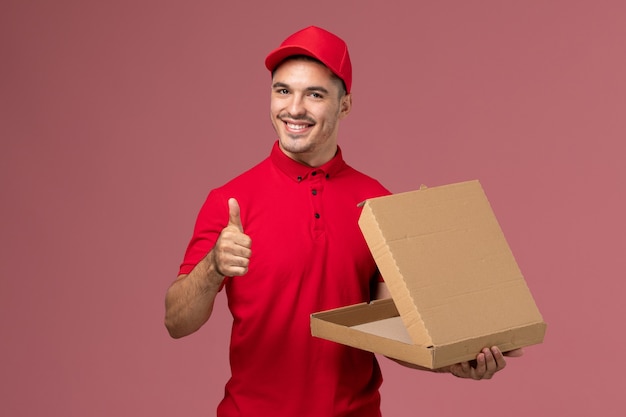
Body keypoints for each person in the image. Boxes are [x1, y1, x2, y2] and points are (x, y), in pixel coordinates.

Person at [165, 26, 522, 417]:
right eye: (283, 90)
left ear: (345, 104)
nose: (294, 108)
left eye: (314, 94)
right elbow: (176, 321)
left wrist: (453, 361)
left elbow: (393, 329)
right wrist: (213, 266)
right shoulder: (229, 200)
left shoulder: (376, 203)